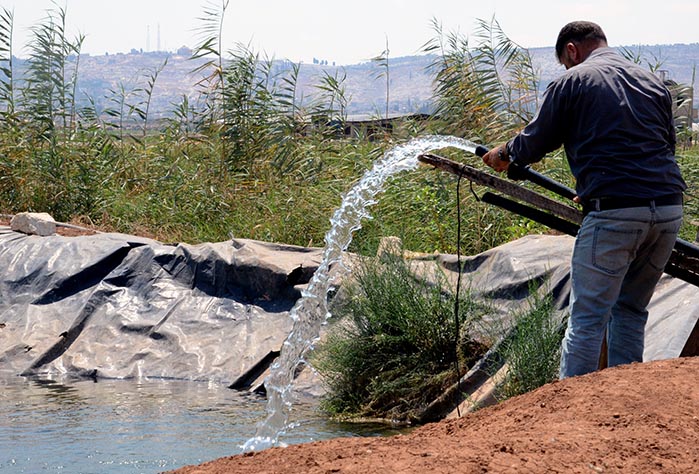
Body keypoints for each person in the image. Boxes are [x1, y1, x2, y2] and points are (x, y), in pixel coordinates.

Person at [482, 21, 686, 379]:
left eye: (565, 61)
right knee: (630, 310)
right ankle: (623, 399)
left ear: (572, 51)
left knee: (589, 318)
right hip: (668, 209)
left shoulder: (572, 80)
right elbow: (662, 146)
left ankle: (570, 412)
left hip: (615, 214)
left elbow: (535, 141)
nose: (566, 67)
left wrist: (503, 154)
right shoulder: (651, 80)